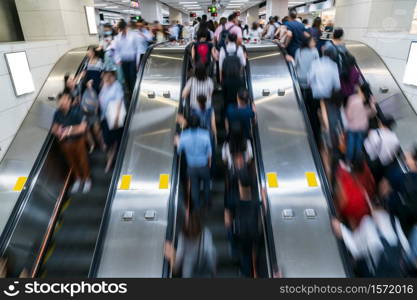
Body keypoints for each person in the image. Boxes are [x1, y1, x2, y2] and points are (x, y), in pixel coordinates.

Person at [332, 204, 414, 277]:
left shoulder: (367, 223)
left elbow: (355, 249)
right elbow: (406, 249)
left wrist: (340, 228)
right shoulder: (394, 221)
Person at [52, 92, 91, 194]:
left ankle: (87, 179)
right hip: (65, 143)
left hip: (78, 141)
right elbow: (54, 128)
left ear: (70, 101)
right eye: (60, 100)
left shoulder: (77, 111)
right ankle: (78, 179)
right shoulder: (57, 113)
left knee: (82, 160)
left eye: (65, 100)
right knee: (71, 162)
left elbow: (82, 128)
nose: (62, 102)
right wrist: (59, 133)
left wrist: (67, 131)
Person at [175, 115, 212, 211]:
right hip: (204, 165)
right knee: (207, 184)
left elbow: (179, 150)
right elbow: (209, 152)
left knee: (194, 187)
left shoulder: (183, 135)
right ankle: (207, 203)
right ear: (199, 123)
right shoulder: (205, 134)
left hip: (191, 167)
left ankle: (197, 206)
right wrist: (209, 164)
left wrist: (177, 141)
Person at [164, 212, 216, 278]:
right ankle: (212, 271)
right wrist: (172, 257)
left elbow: (210, 253)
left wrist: (172, 257)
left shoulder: (204, 233)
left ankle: (212, 271)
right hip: (195, 258)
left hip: (195, 258)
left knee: (212, 251)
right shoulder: (205, 232)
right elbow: (210, 253)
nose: (192, 237)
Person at [308, 47, 341, 148]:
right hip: (328, 95)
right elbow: (337, 85)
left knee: (314, 115)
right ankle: (328, 139)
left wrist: (312, 86)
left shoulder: (315, 63)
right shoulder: (334, 65)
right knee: (328, 115)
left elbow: (310, 79)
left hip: (315, 94)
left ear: (323, 53)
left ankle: (314, 136)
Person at [99, 69, 126, 173]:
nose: (104, 78)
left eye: (106, 76)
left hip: (114, 118)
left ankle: (110, 162)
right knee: (106, 141)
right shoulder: (104, 86)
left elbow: (119, 101)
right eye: (104, 76)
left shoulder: (117, 86)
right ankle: (109, 157)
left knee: (114, 141)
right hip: (105, 117)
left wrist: (116, 118)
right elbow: (101, 99)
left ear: (111, 76)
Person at [344, 84, 377, 163]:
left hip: (352, 127)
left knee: (351, 144)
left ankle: (348, 161)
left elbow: (348, 115)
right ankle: (357, 162)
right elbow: (373, 113)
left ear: (361, 91)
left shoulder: (353, 99)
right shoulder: (370, 101)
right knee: (359, 145)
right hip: (363, 127)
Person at [364, 117, 400, 183]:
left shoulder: (374, 133)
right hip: (383, 165)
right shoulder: (396, 139)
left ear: (381, 124)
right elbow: (393, 154)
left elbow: (367, 148)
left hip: (371, 162)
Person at [113, 19, 141, 96]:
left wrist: (137, 63)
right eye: (120, 29)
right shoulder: (117, 38)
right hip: (124, 61)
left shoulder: (133, 36)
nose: (122, 31)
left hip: (132, 60)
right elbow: (116, 50)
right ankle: (129, 91)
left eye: (123, 29)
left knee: (132, 77)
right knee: (126, 78)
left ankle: (134, 93)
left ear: (126, 27)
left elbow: (137, 49)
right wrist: (118, 60)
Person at [81, 79, 104, 153]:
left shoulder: (93, 92)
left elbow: (97, 103)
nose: (90, 84)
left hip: (93, 114)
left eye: (91, 83)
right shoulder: (85, 92)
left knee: (96, 130)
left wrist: (92, 104)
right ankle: (92, 144)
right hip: (86, 115)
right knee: (86, 129)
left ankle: (102, 144)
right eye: (89, 83)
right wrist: (85, 106)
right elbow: (83, 104)